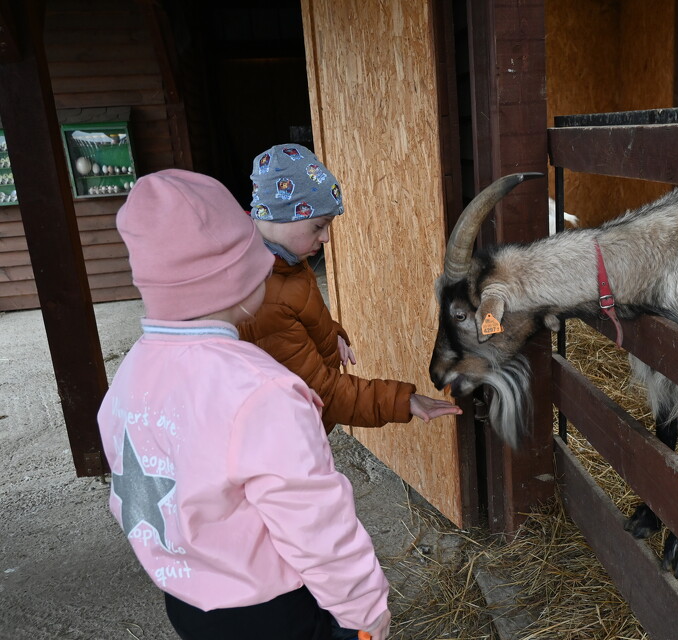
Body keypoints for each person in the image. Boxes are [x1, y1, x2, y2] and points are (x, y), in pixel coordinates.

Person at [98, 169, 391, 640]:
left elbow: (134, 488)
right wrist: (364, 609)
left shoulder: (131, 373)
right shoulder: (262, 390)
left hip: (186, 601)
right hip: (270, 611)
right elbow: (314, 520)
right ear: (240, 275)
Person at [240, 143, 461, 431]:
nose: (326, 239)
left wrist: (330, 333)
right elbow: (321, 393)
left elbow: (301, 311)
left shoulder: (284, 259)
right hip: (289, 435)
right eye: (318, 226)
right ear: (281, 216)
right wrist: (403, 401)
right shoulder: (263, 299)